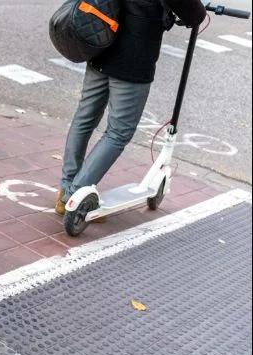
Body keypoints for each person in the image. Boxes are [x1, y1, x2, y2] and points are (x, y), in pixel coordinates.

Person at [55, 0, 207, 215]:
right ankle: (75, 194)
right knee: (118, 133)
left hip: (101, 41)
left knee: (84, 117)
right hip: (133, 59)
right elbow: (194, 14)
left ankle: (66, 188)